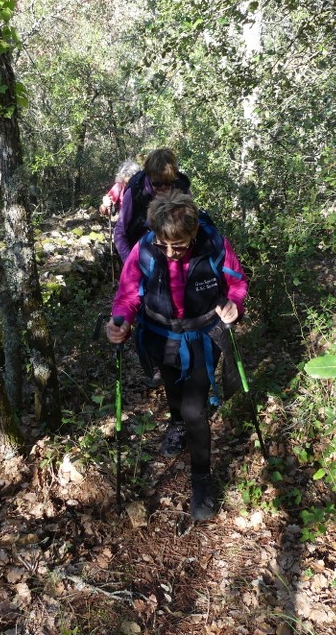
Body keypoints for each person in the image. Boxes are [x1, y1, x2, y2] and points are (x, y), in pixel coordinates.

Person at [106, 191, 248, 522]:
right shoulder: (144, 249)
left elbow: (236, 283)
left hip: (202, 335)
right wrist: (121, 322)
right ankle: (177, 426)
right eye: (164, 245)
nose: (170, 253)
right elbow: (127, 295)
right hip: (160, 336)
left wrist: (234, 305)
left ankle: (201, 481)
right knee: (172, 388)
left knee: (195, 408)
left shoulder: (213, 244)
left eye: (179, 246)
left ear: (194, 232)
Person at [113, 148, 190, 262]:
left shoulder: (181, 187)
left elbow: (191, 225)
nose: (163, 188)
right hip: (140, 252)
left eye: (168, 183)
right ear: (148, 176)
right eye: (157, 183)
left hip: (174, 254)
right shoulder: (136, 191)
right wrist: (130, 264)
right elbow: (120, 231)